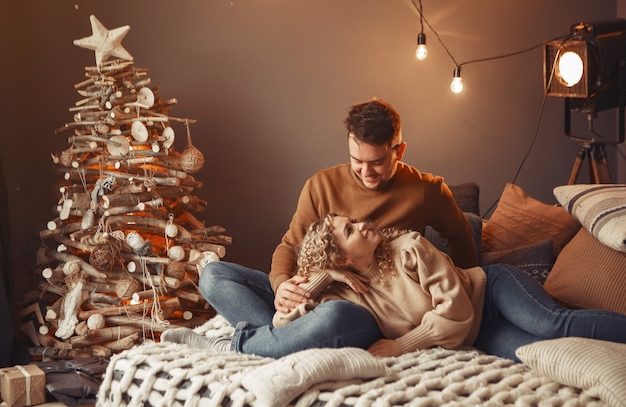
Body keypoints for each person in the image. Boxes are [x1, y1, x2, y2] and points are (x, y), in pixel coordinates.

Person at [184, 98, 479, 357]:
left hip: (361, 312)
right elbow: (289, 246)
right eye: (356, 161)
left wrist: (463, 291)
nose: (366, 172)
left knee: (334, 316)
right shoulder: (320, 186)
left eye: (376, 162)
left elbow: (460, 234)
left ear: (398, 151)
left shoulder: (427, 190)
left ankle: (258, 344)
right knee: (213, 276)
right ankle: (285, 341)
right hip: (309, 294)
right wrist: (282, 286)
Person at [163, 215, 626, 361]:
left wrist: (403, 344)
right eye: (348, 228)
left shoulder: (408, 247)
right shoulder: (341, 292)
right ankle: (243, 345)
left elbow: (458, 312)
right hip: (480, 337)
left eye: (352, 219)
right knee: (537, 354)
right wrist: (325, 278)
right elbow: (287, 325)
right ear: (341, 257)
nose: (361, 223)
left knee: (552, 323)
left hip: (488, 295)